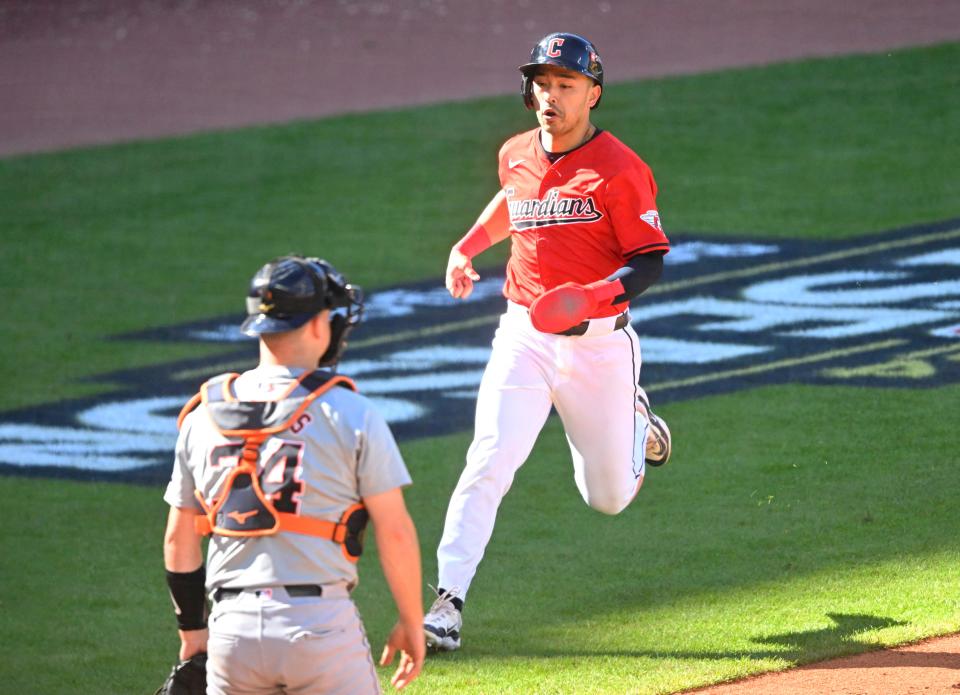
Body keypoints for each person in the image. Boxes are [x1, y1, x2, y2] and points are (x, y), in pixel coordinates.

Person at [423, 32, 673, 652]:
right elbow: (515, 202)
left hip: (597, 345)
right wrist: (467, 245)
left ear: (594, 93)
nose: (550, 96)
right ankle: (448, 601)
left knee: (608, 497)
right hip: (523, 336)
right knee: (489, 458)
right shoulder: (515, 153)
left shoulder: (621, 168)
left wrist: (590, 298)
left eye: (565, 84)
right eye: (541, 83)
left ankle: (636, 423)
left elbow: (647, 263)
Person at [162, 255, 425, 693]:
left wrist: (193, 633)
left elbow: (178, 538)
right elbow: (394, 531)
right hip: (319, 627)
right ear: (320, 324)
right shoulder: (349, 412)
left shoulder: (201, 415)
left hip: (232, 632)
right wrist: (412, 621)